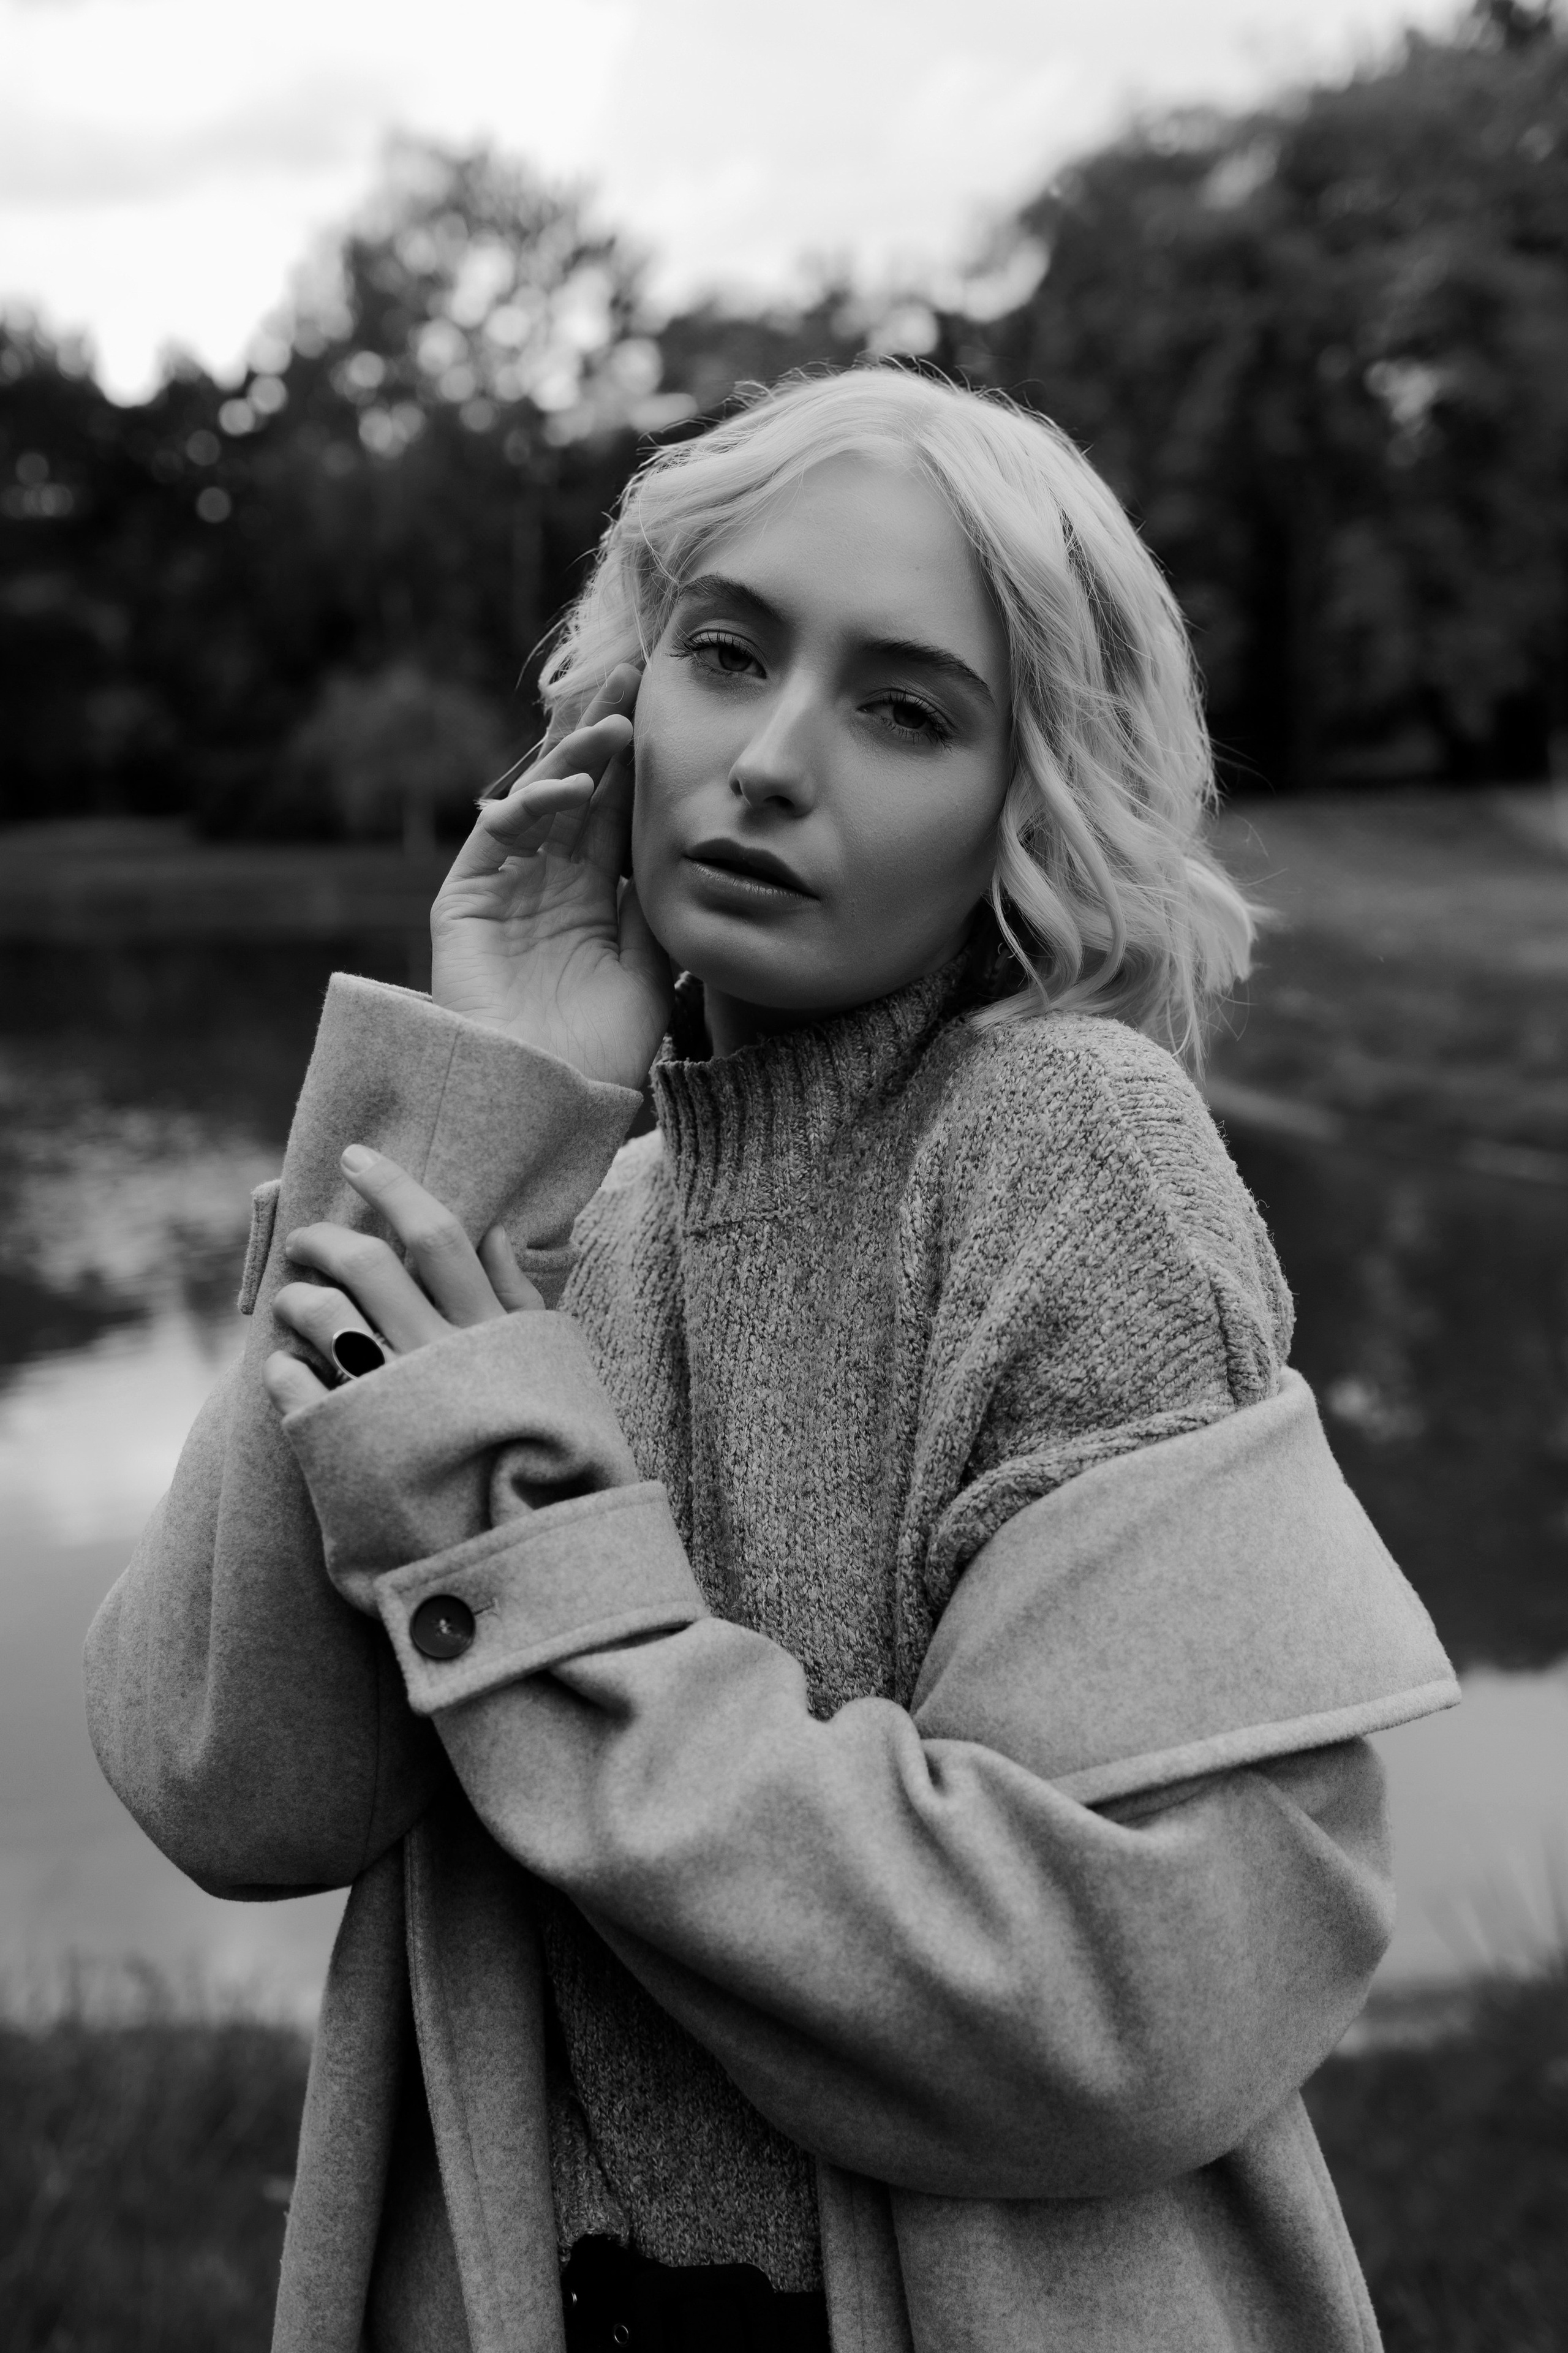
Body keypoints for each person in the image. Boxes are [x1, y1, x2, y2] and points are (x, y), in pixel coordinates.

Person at [85, 366, 1458, 2353]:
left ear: (1026, 800)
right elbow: (228, 1784)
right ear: (626, 705)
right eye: (728, 655)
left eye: (905, 709)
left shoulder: (1071, 1151)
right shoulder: (573, 1208)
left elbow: (1138, 2003)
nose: (772, 761)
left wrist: (518, 1559)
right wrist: (469, 1108)